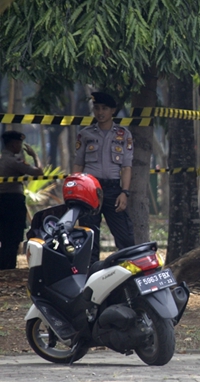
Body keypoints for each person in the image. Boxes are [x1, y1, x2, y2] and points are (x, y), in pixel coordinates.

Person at [74, 92, 135, 263]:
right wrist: (75, 190)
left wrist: (124, 192)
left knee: (125, 236)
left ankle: (127, 271)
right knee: (89, 236)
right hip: (89, 189)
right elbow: (78, 164)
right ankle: (90, 273)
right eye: (97, 108)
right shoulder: (85, 134)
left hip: (113, 190)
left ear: (113, 110)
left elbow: (127, 167)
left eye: (105, 108)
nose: (100, 112)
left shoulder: (124, 134)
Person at [0, 131, 43, 270]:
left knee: (4, 236)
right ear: (13, 144)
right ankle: (8, 267)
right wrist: (34, 156)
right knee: (12, 237)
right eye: (19, 143)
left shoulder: (2, 158)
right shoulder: (13, 161)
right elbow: (39, 172)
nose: (20, 146)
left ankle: (4, 267)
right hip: (12, 201)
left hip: (3, 200)